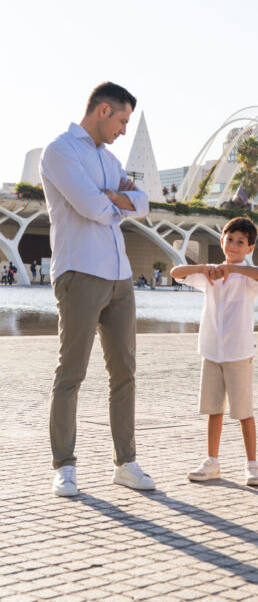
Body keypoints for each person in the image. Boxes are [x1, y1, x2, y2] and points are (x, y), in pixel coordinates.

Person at [40, 81, 156, 497]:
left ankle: (125, 463)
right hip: (80, 272)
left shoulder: (110, 159)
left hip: (120, 276)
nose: (123, 130)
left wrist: (114, 199)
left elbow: (145, 203)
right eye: (122, 120)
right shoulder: (59, 151)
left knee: (125, 373)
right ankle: (64, 466)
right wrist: (118, 202)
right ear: (104, 110)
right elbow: (91, 206)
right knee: (71, 373)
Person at [170, 217, 258, 486]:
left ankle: (252, 465)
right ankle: (212, 461)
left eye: (241, 242)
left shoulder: (249, 277)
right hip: (212, 351)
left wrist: (231, 269)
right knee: (214, 410)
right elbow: (176, 272)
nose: (234, 245)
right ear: (222, 241)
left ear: (250, 248)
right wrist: (205, 268)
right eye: (230, 240)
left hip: (239, 352)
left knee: (244, 411)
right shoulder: (209, 275)